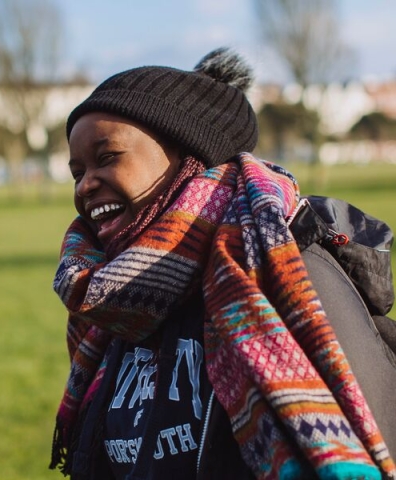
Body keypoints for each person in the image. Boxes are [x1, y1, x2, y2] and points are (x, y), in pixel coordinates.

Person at [49, 48, 396, 480]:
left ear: (189, 158)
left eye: (107, 157)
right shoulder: (117, 299)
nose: (85, 186)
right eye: (76, 171)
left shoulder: (283, 272)